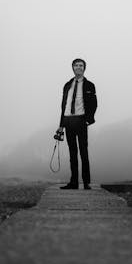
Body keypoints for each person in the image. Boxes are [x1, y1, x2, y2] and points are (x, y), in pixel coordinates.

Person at [58, 58, 97, 190]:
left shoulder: (90, 85)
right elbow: (64, 106)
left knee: (83, 152)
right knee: (72, 153)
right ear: (73, 68)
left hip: (81, 120)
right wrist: (61, 125)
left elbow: (93, 104)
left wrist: (88, 120)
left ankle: (86, 182)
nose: (78, 67)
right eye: (76, 65)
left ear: (84, 68)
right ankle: (73, 182)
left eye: (81, 65)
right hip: (68, 121)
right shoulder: (67, 85)